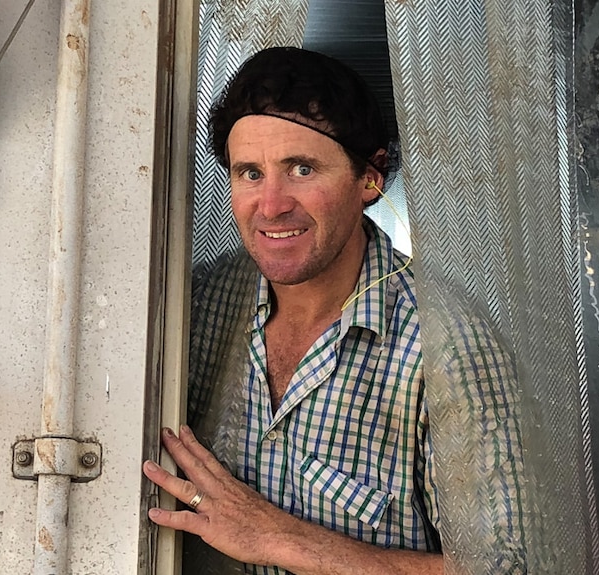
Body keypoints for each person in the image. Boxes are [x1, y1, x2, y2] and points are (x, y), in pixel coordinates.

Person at [143, 46, 525, 574]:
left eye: (302, 169)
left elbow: (504, 569)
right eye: (249, 173)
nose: (271, 204)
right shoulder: (198, 303)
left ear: (370, 179)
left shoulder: (448, 346)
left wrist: (278, 538)